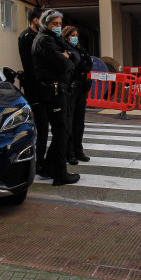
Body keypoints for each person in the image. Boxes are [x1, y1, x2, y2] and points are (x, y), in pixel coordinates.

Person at [32, 9, 79, 186]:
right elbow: (65, 63)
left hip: (60, 90)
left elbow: (73, 55)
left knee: (62, 130)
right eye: (55, 24)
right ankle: (60, 173)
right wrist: (67, 58)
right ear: (46, 24)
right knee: (61, 131)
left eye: (60, 24)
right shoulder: (44, 41)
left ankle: (50, 168)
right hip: (53, 91)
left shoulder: (53, 39)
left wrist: (69, 56)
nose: (58, 27)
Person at [17, 7, 49, 174]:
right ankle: (38, 162)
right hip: (35, 86)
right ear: (36, 21)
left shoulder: (32, 36)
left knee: (43, 125)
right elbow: (35, 63)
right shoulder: (29, 37)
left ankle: (39, 160)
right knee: (41, 124)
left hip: (37, 85)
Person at [62, 26, 92, 166]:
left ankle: (78, 150)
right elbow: (76, 65)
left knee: (79, 122)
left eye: (76, 34)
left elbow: (88, 65)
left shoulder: (79, 49)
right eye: (72, 35)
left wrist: (81, 63)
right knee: (70, 121)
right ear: (66, 36)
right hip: (71, 88)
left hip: (81, 87)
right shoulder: (64, 48)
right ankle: (69, 153)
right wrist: (80, 64)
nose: (75, 37)